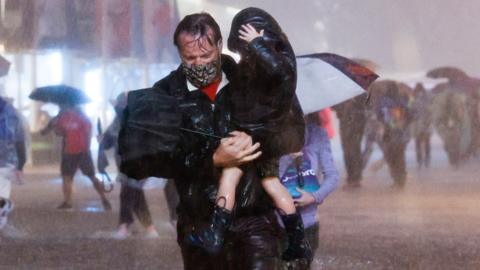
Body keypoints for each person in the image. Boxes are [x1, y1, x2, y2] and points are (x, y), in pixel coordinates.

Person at [119, 12, 304, 270]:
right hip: (200, 222)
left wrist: (252, 145)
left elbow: (293, 135)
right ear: (179, 53)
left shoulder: (253, 80)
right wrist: (212, 159)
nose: (198, 63)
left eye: (205, 56)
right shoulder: (165, 96)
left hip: (254, 219)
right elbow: (140, 162)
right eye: (190, 57)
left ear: (219, 46)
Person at [187, 7, 310, 262]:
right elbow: (246, 85)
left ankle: (215, 233)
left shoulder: (279, 63)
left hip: (255, 134)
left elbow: (279, 72)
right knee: (272, 183)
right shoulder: (264, 68)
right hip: (266, 134)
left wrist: (257, 43)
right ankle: (298, 240)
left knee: (231, 175)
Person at [279, 113, 339, 267]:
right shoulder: (273, 136)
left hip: (309, 221)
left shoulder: (317, 134)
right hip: (279, 221)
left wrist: (314, 196)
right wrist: (287, 158)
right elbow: (267, 178)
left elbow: (332, 176)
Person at [98, 93, 158, 239]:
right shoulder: (118, 121)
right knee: (136, 196)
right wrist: (102, 140)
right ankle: (149, 228)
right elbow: (108, 142)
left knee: (126, 194)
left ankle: (124, 226)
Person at [41, 104, 111, 210]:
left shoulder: (63, 118)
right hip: (83, 151)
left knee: (67, 177)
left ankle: (68, 202)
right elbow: (88, 134)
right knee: (92, 176)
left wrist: (57, 127)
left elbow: (58, 132)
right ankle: (104, 198)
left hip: (69, 151)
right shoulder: (84, 118)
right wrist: (86, 149)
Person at [0, 96, 26, 230]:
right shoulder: (14, 116)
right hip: (8, 162)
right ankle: (4, 208)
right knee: (2, 194)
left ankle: (6, 205)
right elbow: (20, 141)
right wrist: (21, 164)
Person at [332, 94, 368, 189]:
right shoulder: (341, 92)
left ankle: (355, 178)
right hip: (345, 122)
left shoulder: (360, 92)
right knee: (347, 151)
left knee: (354, 150)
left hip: (357, 123)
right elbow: (333, 106)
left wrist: (354, 101)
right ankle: (351, 177)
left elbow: (366, 104)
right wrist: (341, 106)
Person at [411, 83, 432, 169]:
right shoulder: (426, 98)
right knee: (426, 142)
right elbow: (429, 111)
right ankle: (426, 160)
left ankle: (419, 161)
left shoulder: (413, 98)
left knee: (418, 143)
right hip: (425, 123)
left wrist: (415, 116)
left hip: (417, 123)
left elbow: (412, 111)